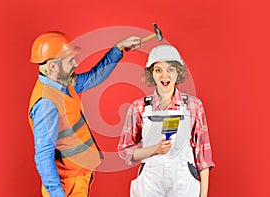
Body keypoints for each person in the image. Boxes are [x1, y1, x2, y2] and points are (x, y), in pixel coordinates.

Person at [28, 31, 142, 197]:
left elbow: (94, 77)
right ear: (53, 66)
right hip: (68, 184)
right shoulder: (47, 104)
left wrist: (118, 49)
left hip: (78, 176)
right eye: (70, 61)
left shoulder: (63, 83)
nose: (75, 64)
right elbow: (43, 156)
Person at [117, 44, 215, 197]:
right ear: (151, 74)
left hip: (183, 184)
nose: (164, 75)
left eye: (170, 69)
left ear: (178, 72)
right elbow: (125, 151)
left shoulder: (194, 106)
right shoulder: (139, 107)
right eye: (158, 70)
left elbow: (204, 157)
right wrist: (153, 150)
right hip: (149, 183)